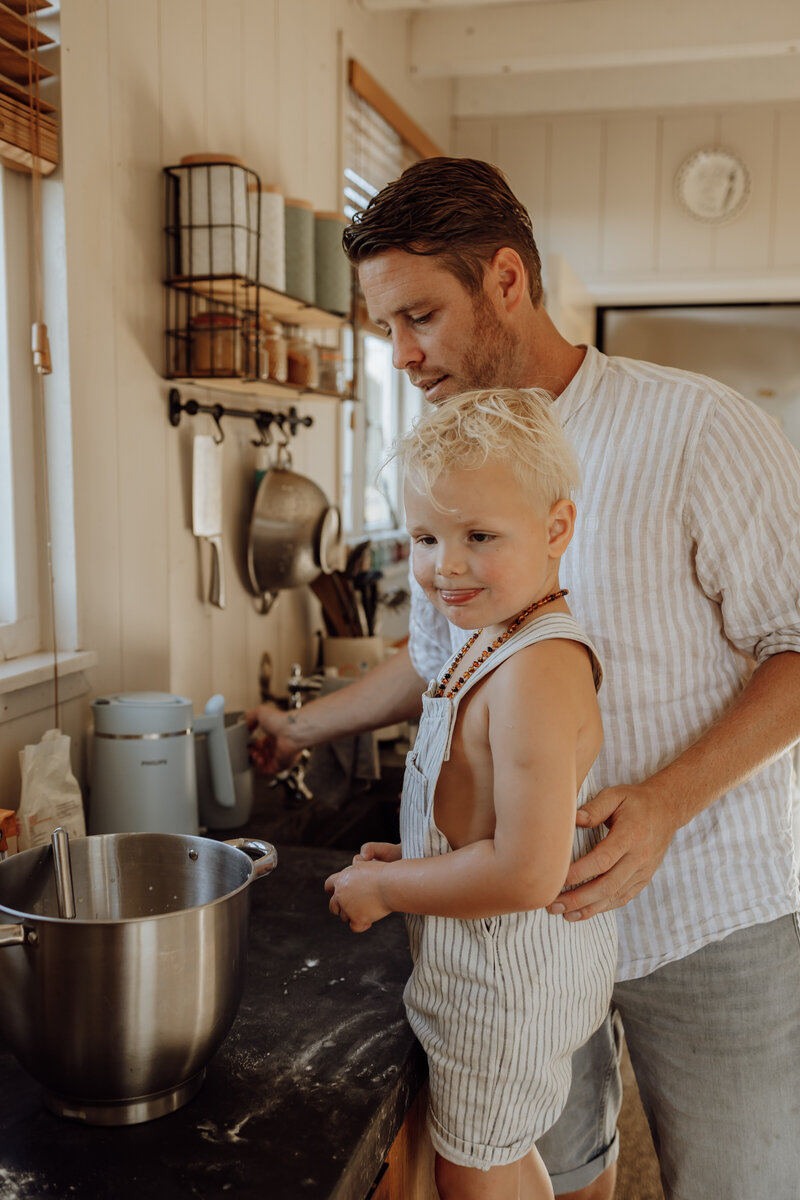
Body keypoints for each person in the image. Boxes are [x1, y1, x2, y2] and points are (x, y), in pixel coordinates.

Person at [247, 157, 800, 1200]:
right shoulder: (449, 461)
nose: (404, 356)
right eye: (386, 329)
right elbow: (445, 667)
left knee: (743, 1183)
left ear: (505, 280)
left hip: (708, 902)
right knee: (560, 1166)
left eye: (421, 316)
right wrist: (303, 725)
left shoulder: (694, 427)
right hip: (523, 934)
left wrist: (665, 805)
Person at [325, 387, 618, 1200]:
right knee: (491, 1151)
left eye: (478, 536)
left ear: (556, 529)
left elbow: (527, 872)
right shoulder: (496, 634)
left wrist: (387, 886)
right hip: (498, 961)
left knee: (476, 1165)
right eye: (425, 537)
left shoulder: (534, 668)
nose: (443, 565)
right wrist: (419, 858)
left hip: (505, 978)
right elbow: (485, 812)